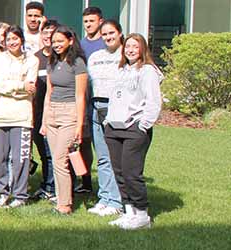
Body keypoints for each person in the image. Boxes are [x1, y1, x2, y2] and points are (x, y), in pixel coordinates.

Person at [105, 33, 161, 230]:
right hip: (113, 128)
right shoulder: (120, 70)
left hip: (134, 129)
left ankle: (142, 215)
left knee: (131, 172)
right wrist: (107, 121)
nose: (130, 50)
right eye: (127, 46)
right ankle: (129, 213)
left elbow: (154, 102)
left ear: (142, 49)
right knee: (119, 173)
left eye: (135, 47)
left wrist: (143, 125)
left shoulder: (147, 71)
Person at [0, 26, 39, 208]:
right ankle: (3, 193)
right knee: (0, 157)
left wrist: (15, 88)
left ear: (21, 40)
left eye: (15, 38)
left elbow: (31, 87)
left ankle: (20, 195)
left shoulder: (32, 60)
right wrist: (20, 86)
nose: (12, 42)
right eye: (9, 39)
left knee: (21, 158)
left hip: (22, 116)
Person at [42, 25, 88, 215]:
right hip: (52, 112)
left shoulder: (77, 63)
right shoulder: (52, 62)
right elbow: (48, 92)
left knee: (61, 159)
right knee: (56, 159)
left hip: (70, 113)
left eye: (60, 41)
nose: (56, 45)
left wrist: (79, 125)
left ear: (70, 41)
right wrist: (44, 120)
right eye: (54, 42)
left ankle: (65, 205)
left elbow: (80, 96)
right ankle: (61, 200)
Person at [85, 19, 126, 216]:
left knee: (115, 157)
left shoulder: (127, 54)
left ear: (119, 34)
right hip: (96, 107)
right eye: (105, 34)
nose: (108, 37)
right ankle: (105, 197)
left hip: (116, 108)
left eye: (112, 33)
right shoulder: (95, 56)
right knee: (102, 157)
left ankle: (116, 202)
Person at [30, 20, 61, 202]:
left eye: (52, 33)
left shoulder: (61, 57)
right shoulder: (35, 58)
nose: (48, 37)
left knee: (54, 153)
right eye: (45, 33)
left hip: (57, 111)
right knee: (43, 152)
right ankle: (47, 184)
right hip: (37, 112)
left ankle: (54, 187)